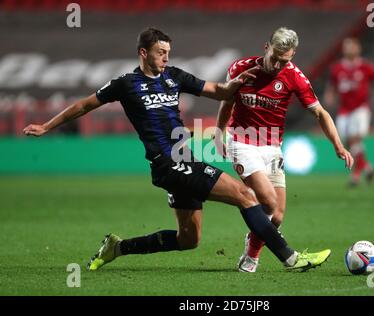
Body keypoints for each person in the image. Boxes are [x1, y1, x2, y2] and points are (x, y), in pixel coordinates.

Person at [23, 27, 341, 272]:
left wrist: (234, 86)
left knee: (188, 240)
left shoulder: (174, 77)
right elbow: (83, 105)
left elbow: (215, 90)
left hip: (184, 159)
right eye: (161, 52)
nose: (166, 57)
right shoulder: (125, 84)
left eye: (168, 52)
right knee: (247, 196)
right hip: (169, 161)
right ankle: (290, 257)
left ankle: (117, 248)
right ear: (143, 52)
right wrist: (47, 126)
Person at [215, 27, 354, 273]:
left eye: (285, 60)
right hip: (242, 141)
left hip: (272, 146)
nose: (278, 65)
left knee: (277, 215)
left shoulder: (295, 77)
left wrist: (338, 145)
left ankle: (251, 251)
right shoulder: (240, 68)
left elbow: (320, 112)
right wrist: (219, 133)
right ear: (266, 47)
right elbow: (227, 102)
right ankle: (276, 258)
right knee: (267, 202)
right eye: (275, 58)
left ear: (293, 54)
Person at [324, 37, 374, 186]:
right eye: (346, 47)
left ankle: (356, 175)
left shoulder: (366, 66)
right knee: (347, 143)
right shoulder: (337, 68)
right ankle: (367, 168)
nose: (349, 49)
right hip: (344, 110)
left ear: (358, 48)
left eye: (351, 46)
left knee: (355, 139)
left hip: (360, 108)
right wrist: (329, 95)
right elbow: (331, 85)